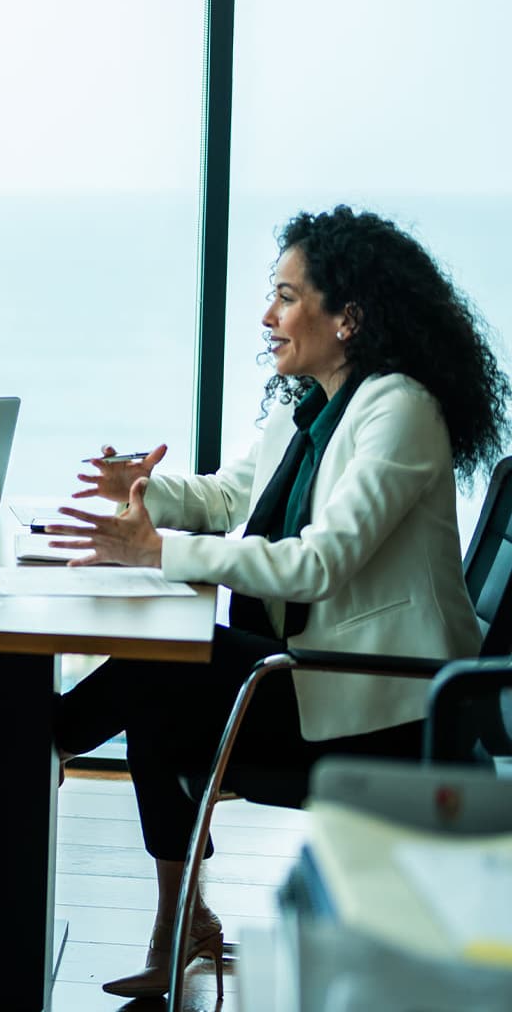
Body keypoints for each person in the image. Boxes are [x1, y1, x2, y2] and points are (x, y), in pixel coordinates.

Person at [44, 205, 510, 999]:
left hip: (380, 699)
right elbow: (232, 498)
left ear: (349, 319)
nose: (268, 315)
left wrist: (157, 552)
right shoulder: (317, 403)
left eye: (287, 296)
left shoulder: (399, 410)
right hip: (312, 675)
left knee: (156, 678)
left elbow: (321, 562)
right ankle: (174, 912)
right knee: (159, 685)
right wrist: (144, 491)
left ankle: (43, 749)